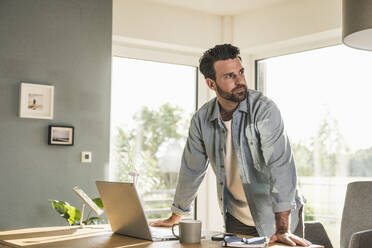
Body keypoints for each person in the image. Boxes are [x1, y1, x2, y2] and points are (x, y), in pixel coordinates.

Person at [150, 44, 311, 247]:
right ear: (211, 83)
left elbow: (281, 167)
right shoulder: (201, 119)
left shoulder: (265, 110)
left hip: (279, 217)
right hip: (237, 218)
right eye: (229, 76)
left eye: (241, 72)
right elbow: (191, 170)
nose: (240, 81)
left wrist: (282, 229)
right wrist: (176, 215)